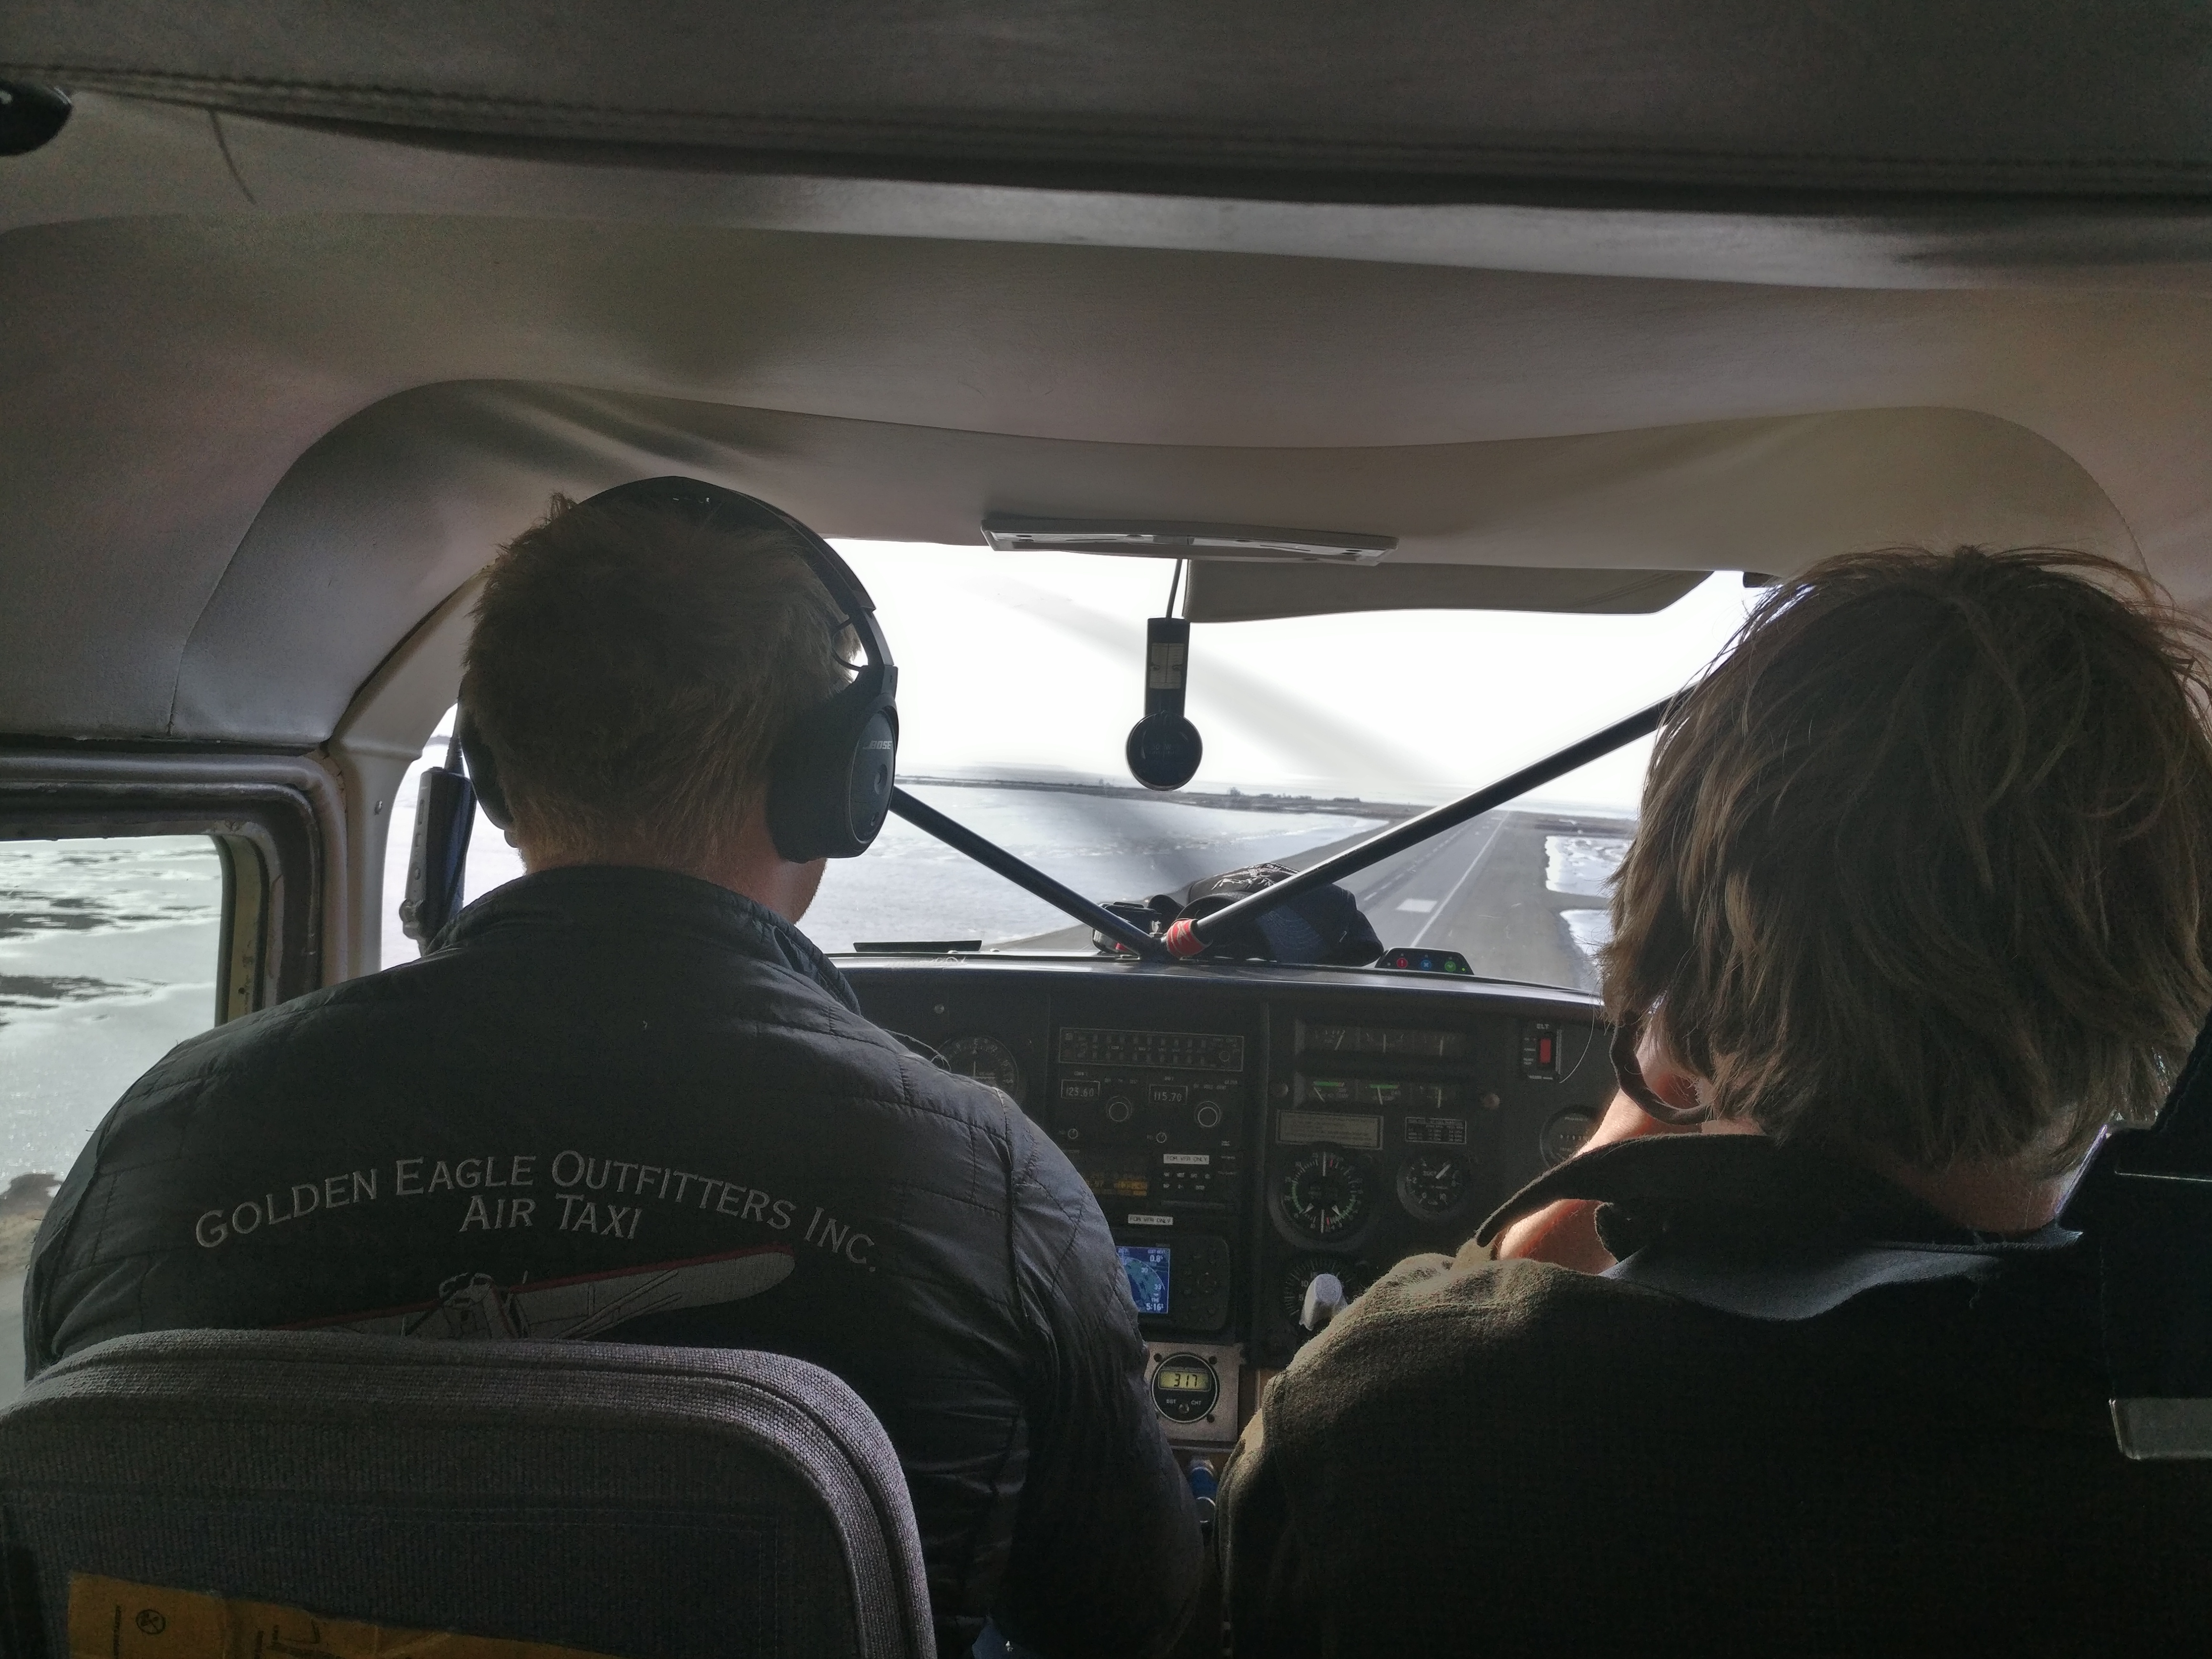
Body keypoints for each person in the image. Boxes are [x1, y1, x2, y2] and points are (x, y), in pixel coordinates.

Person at [25, 482, 1200, 1659]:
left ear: (485, 767)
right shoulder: (987, 1184)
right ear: (836, 784)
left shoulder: (156, 1144)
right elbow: (1138, 1628)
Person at [1219, 546, 2212, 1652]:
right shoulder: (2159, 1474)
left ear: (1673, 994)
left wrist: (1611, 1154)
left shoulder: (1388, 1429)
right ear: (2164, 998)